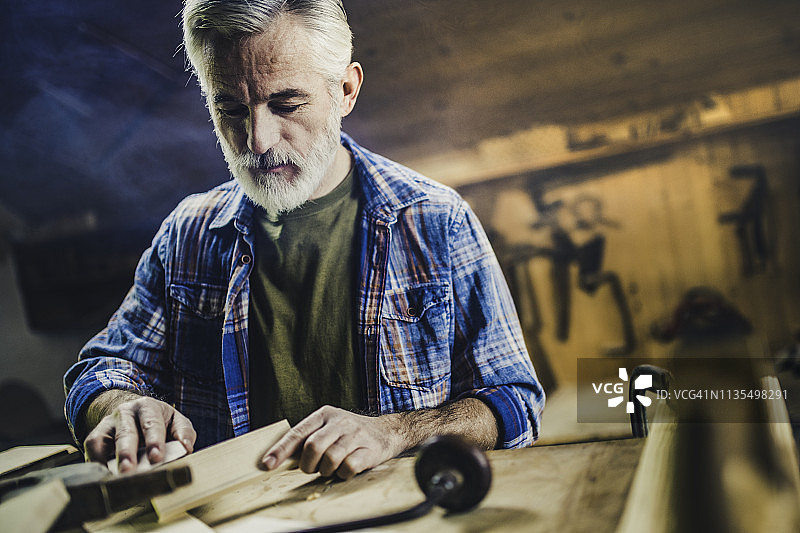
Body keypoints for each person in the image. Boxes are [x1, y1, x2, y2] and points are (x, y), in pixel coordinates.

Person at [64, 0, 544, 480]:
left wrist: (396, 432)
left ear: (346, 90)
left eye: (286, 105)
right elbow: (103, 370)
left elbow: (513, 402)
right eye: (229, 107)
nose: (257, 141)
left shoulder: (437, 222)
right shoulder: (187, 235)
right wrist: (123, 406)